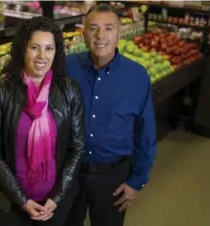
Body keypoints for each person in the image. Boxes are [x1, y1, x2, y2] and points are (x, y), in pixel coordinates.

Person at [0, 16, 85, 226]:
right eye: (34, 48)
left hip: (54, 204)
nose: (42, 56)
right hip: (11, 205)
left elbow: (77, 148)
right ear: (22, 49)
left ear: (56, 53)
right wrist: (22, 201)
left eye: (49, 49)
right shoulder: (0, 91)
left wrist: (56, 199)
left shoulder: (69, 90)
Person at [64, 4, 157, 226]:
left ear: (119, 33)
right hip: (69, 173)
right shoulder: (67, 68)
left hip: (113, 177)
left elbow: (146, 132)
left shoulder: (136, 76)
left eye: (108, 28)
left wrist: (137, 181)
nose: (100, 36)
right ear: (83, 32)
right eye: (93, 28)